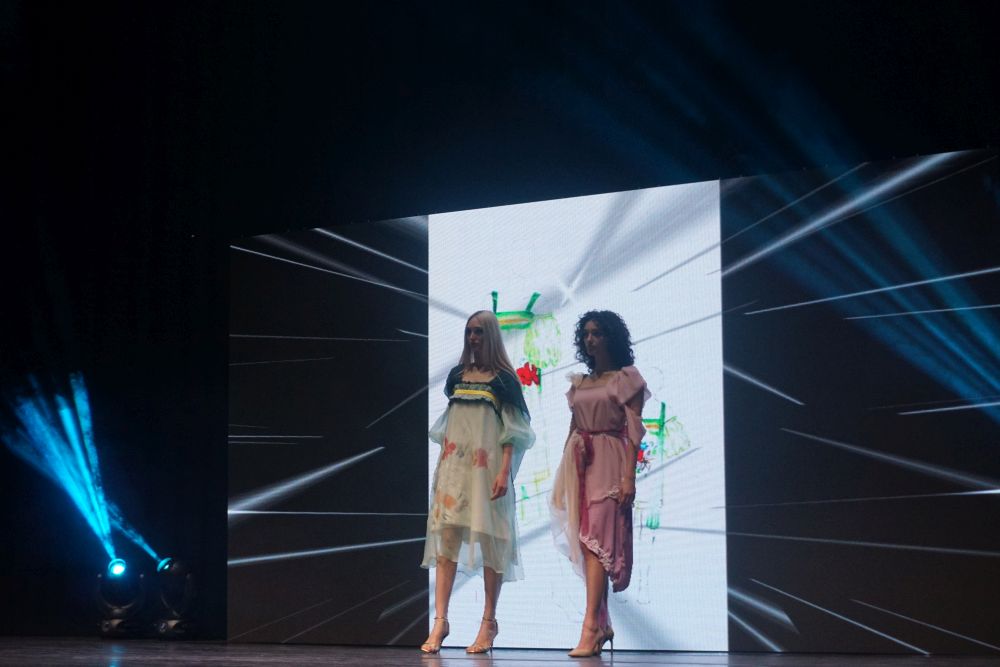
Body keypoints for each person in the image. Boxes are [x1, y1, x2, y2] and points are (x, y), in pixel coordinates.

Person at [420, 310, 535, 654]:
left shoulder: (504, 381)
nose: (473, 337)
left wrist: (504, 472)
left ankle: (489, 622)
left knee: (490, 541)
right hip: (455, 469)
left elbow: (513, 431)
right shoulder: (457, 376)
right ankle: (440, 621)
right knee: (447, 540)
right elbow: (451, 424)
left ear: (492, 336)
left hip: (487, 470)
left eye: (480, 332)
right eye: (470, 331)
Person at [550, 310, 649, 657]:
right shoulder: (581, 382)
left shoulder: (626, 378)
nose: (590, 339)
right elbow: (573, 427)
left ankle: (590, 626)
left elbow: (634, 431)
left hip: (610, 460)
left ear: (611, 338)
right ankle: (602, 624)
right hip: (581, 463)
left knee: (597, 543)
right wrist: (563, 473)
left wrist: (629, 477)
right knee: (587, 543)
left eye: (598, 333)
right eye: (587, 333)